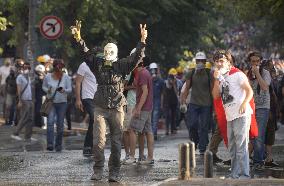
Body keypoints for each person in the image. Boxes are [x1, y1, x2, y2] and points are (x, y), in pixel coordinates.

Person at [70, 20, 147, 182]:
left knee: (116, 143)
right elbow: (86, 53)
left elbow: (136, 57)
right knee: (98, 141)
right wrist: (78, 39)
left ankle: (114, 172)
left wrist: (142, 41)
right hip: (100, 106)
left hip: (117, 107)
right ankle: (98, 170)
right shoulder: (97, 64)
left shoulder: (122, 65)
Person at [212, 50, 254, 179]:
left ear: (228, 62)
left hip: (241, 114)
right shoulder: (221, 77)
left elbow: (249, 91)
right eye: (216, 61)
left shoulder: (238, 74)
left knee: (241, 145)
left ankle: (244, 174)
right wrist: (216, 80)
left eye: (222, 61)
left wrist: (244, 103)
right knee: (232, 147)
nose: (219, 63)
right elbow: (215, 96)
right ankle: (235, 174)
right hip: (230, 116)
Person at [180, 52, 213, 155]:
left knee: (204, 126)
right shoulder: (191, 72)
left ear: (204, 62)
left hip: (206, 104)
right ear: (195, 61)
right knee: (192, 124)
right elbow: (186, 88)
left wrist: (215, 105)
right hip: (194, 103)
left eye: (201, 61)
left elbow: (212, 89)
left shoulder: (209, 73)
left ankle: (202, 148)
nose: (199, 63)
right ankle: (196, 141)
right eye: (198, 61)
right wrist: (183, 101)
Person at [126, 56, 154, 165]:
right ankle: (150, 158)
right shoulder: (146, 73)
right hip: (148, 107)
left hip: (143, 108)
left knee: (131, 129)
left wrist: (138, 108)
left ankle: (132, 157)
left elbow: (145, 92)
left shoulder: (142, 74)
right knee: (148, 131)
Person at [247, 51, 271, 169]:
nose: (255, 63)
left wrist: (257, 73)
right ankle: (255, 159)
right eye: (253, 61)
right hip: (250, 108)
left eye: (257, 61)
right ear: (250, 62)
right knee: (251, 136)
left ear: (260, 62)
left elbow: (265, 87)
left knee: (259, 135)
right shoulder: (247, 74)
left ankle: (258, 162)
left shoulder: (265, 73)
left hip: (263, 107)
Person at [42, 59, 72, 152]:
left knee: (60, 124)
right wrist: (48, 90)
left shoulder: (66, 77)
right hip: (51, 102)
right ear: (54, 67)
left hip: (62, 103)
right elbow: (43, 86)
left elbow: (70, 89)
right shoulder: (48, 76)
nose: (59, 69)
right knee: (50, 123)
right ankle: (50, 144)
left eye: (60, 67)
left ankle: (58, 145)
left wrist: (64, 90)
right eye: (57, 66)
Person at [75, 54, 98, 157]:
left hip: (98, 98)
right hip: (87, 97)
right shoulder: (83, 66)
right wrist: (78, 99)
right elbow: (78, 83)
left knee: (95, 121)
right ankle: (88, 146)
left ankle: (90, 146)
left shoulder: (100, 66)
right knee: (93, 118)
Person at [10, 62, 35, 142]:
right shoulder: (20, 77)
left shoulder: (28, 77)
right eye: (25, 68)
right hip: (24, 100)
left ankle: (28, 136)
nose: (27, 69)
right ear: (22, 68)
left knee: (30, 118)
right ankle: (15, 133)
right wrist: (19, 101)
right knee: (25, 117)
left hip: (30, 99)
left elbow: (30, 89)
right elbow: (18, 90)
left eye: (28, 68)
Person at [122, 71, 136, 162]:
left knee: (130, 130)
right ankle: (129, 154)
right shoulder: (129, 73)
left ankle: (131, 155)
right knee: (127, 130)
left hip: (132, 104)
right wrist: (134, 86)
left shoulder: (136, 73)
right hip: (128, 104)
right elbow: (122, 87)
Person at [149, 62, 164, 140]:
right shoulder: (148, 80)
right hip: (149, 102)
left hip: (157, 102)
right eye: (152, 70)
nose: (153, 71)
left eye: (154, 70)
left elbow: (162, 94)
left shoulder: (160, 81)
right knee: (150, 119)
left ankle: (153, 134)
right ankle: (150, 134)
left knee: (155, 118)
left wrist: (161, 104)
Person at [163, 68, 179, 135]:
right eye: (169, 79)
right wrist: (162, 103)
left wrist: (174, 84)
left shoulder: (175, 83)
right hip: (166, 102)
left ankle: (172, 129)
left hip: (174, 102)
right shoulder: (165, 83)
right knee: (167, 116)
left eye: (171, 79)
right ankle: (167, 130)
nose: (170, 80)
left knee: (173, 116)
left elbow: (176, 92)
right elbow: (163, 93)